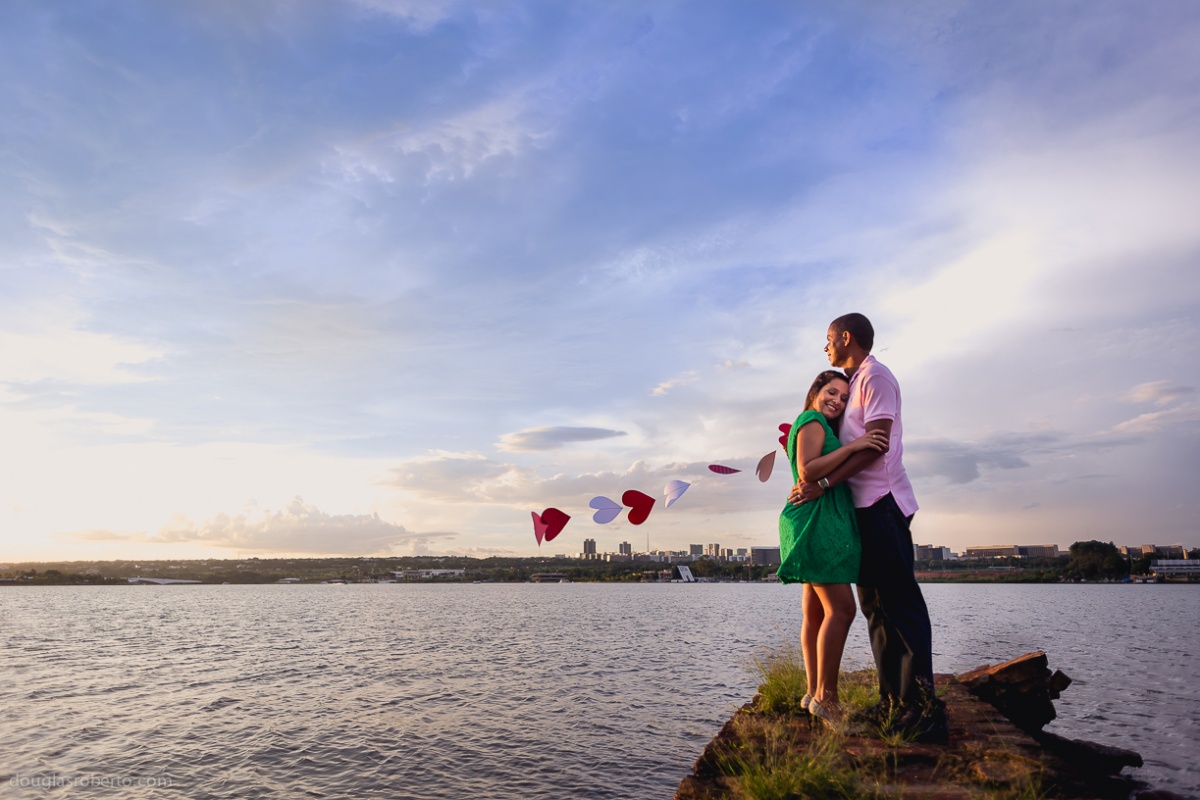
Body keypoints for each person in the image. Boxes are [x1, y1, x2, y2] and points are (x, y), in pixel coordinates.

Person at [789, 313, 948, 742]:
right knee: (875, 607)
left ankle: (924, 709)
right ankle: (891, 702)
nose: (825, 348)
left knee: (900, 603)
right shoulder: (850, 385)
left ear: (845, 338)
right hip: (857, 511)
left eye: (828, 340)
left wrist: (823, 484)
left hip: (883, 504)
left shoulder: (876, 378)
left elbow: (876, 444)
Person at [778, 369, 888, 726]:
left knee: (814, 613)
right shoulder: (810, 420)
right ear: (815, 391)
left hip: (814, 517)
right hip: (816, 520)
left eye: (843, 398)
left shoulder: (820, 425)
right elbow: (808, 471)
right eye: (831, 392)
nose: (837, 402)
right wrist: (855, 445)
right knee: (842, 610)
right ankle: (828, 698)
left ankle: (812, 693)